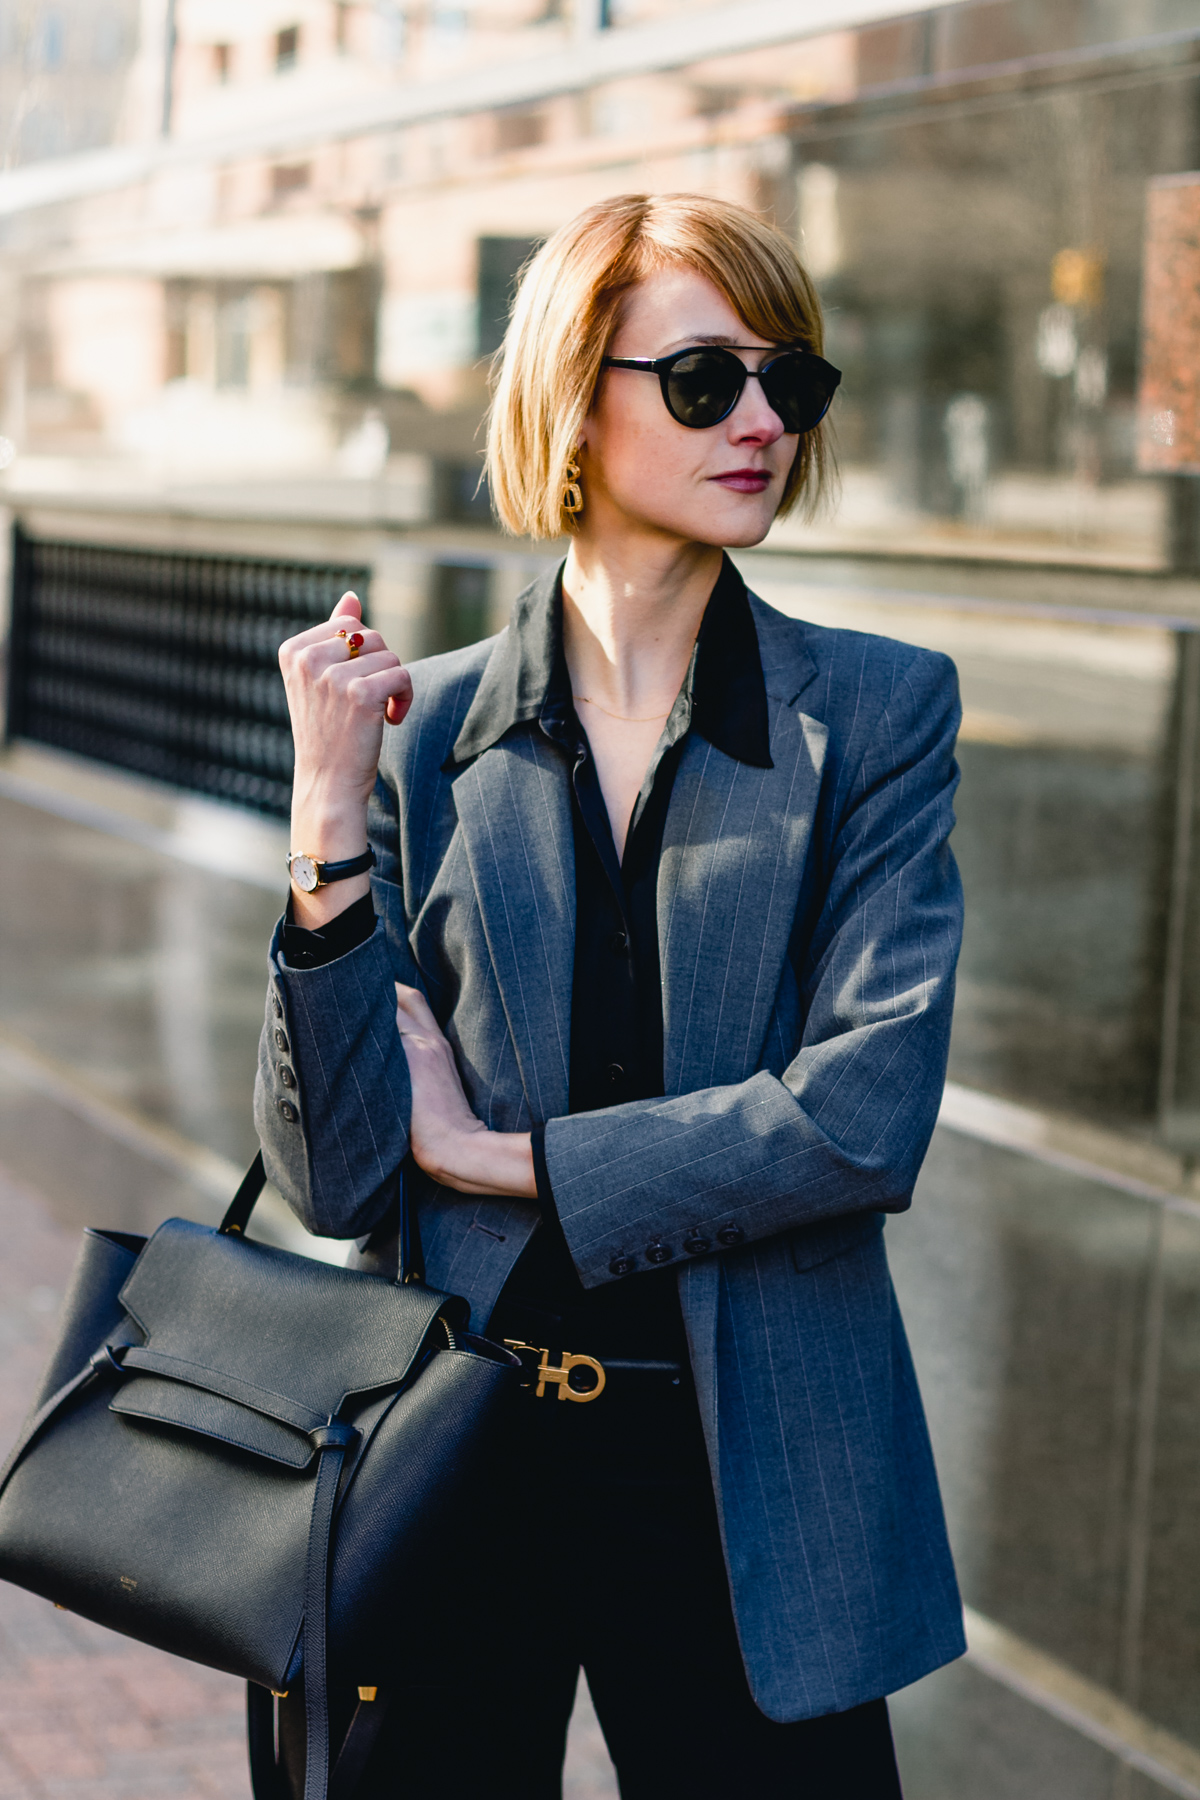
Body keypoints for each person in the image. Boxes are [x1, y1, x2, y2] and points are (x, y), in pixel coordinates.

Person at [256, 192, 965, 1799]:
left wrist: (509, 1159)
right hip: (457, 1454)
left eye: (794, 381)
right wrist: (322, 824)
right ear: (576, 398)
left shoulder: (875, 716)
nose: (766, 420)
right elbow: (339, 1169)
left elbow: (860, 1120)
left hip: (753, 1471)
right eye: (706, 380)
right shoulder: (422, 735)